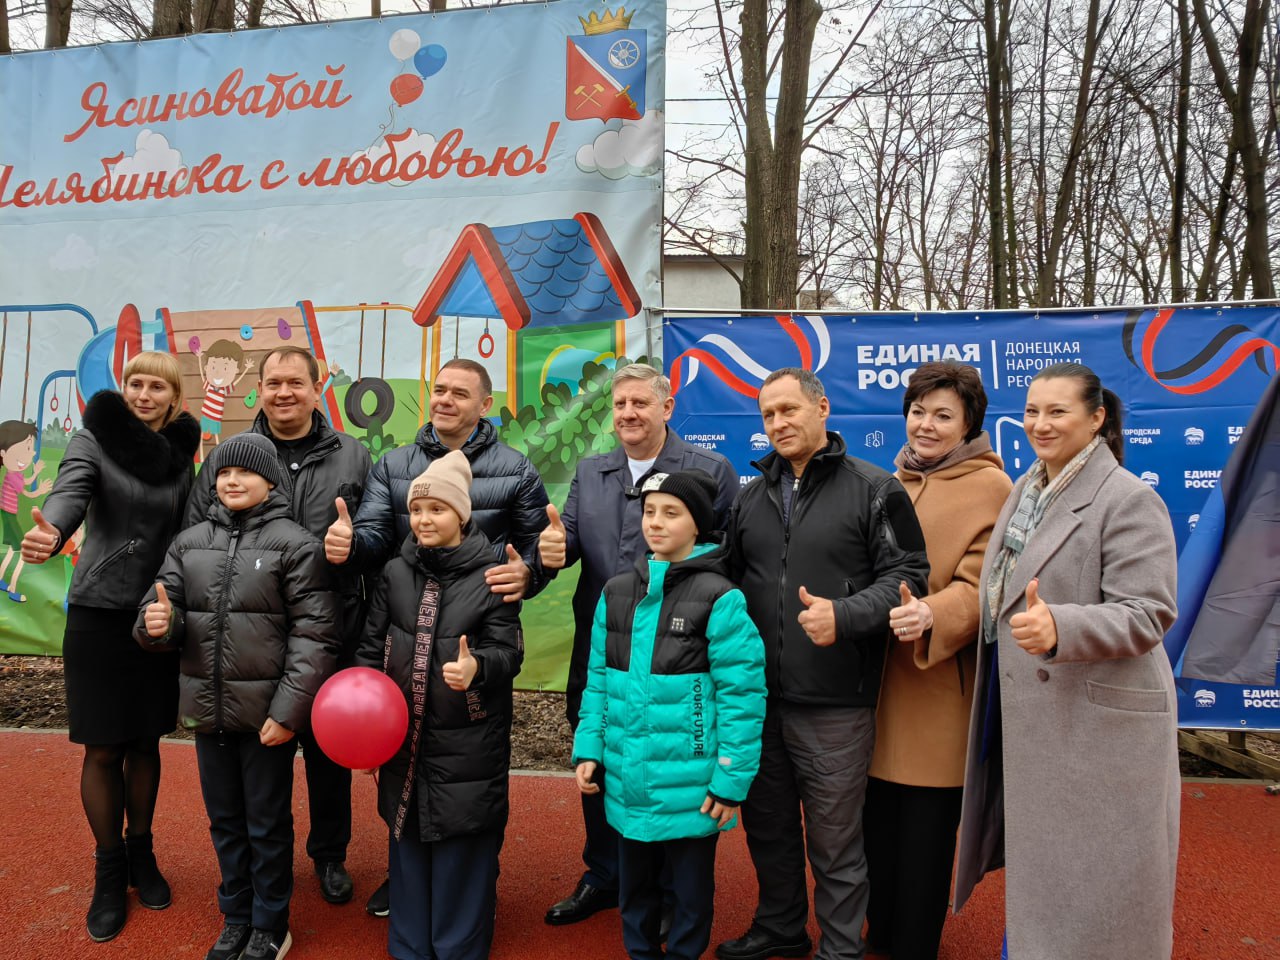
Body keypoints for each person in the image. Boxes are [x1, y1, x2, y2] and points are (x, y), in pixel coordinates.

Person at [954, 362, 1180, 959]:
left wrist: (1063, 626)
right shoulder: (1027, 488)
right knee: (1051, 881)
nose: (1040, 424)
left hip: (1097, 728)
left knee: (1098, 893)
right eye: (1032, 411)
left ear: (1097, 418)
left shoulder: (1130, 499)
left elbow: (1148, 612)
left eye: (1057, 411)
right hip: (1035, 708)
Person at [716, 367, 930, 960]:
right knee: (770, 830)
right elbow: (728, 577)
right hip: (759, 703)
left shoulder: (875, 487)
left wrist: (846, 614)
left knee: (836, 843)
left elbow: (910, 576)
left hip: (836, 704)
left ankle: (840, 949)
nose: (779, 424)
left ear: (822, 408)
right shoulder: (751, 495)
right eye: (768, 415)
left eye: (789, 410)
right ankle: (781, 929)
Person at [325, 357, 548, 917]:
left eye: (458, 393)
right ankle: (408, 879)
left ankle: (471, 889)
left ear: (484, 403)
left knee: (467, 780)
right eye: (439, 390)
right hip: (405, 639)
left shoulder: (515, 470)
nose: (444, 400)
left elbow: (535, 552)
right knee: (403, 769)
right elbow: (376, 533)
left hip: (469, 649)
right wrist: (352, 545)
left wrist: (533, 574)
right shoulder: (394, 463)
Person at [539, 362, 739, 925]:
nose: (628, 413)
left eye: (641, 404)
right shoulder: (592, 470)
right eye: (620, 404)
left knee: (675, 765)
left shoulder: (710, 469)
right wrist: (547, 555)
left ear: (667, 408)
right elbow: (567, 545)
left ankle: (674, 888)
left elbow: (725, 556)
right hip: (604, 652)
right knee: (598, 755)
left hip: (681, 659)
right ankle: (606, 874)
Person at [135, 432, 338, 960]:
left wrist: (288, 712)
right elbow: (162, 610)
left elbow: (314, 637)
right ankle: (237, 916)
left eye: (245, 472)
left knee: (266, 825)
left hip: (266, 719)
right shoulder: (188, 543)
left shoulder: (296, 545)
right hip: (208, 714)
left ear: (270, 480)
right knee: (225, 822)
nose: (231, 481)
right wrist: (157, 623)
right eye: (224, 472)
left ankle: (272, 923)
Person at [21, 352, 199, 943]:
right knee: (102, 749)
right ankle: (109, 868)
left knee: (145, 740)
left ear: (173, 398)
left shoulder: (180, 456)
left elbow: (189, 529)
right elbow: (70, 496)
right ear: (123, 391)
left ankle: (142, 851)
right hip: (99, 614)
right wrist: (51, 529)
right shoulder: (91, 441)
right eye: (134, 384)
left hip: (156, 613)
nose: (143, 394)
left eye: (156, 386)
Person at [185, 345, 372, 906]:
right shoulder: (233, 455)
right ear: (259, 390)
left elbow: (377, 534)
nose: (284, 392)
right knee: (256, 763)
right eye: (273, 383)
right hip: (248, 636)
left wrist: (353, 546)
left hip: (326, 627)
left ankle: (329, 853)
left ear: (318, 388)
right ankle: (263, 874)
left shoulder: (353, 456)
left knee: (326, 753)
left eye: (296, 382)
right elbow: (199, 531)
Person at [572, 469, 766, 960]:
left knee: (689, 895)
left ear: (698, 524)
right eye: (649, 511)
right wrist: (590, 747)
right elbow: (597, 681)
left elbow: (743, 697)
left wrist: (730, 778)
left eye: (671, 513)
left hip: (693, 788)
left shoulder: (721, 598)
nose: (655, 523)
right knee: (634, 891)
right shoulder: (616, 592)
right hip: (627, 780)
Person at [863, 362, 1012, 960]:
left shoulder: (995, 489)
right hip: (871, 691)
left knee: (925, 837)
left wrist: (934, 615)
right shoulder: (881, 481)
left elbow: (985, 585)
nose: (926, 425)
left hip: (938, 690)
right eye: (918, 411)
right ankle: (879, 931)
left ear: (969, 423)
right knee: (875, 829)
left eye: (943, 415)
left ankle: (915, 944)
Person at [354, 450, 523, 960]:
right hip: (403, 739)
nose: (425, 520)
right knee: (407, 839)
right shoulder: (395, 572)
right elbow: (370, 645)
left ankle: (458, 947)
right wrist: (363, 723)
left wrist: (478, 670)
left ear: (462, 515)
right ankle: (409, 945)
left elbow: (508, 652)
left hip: (467, 739)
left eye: (438, 510)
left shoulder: (493, 575)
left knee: (461, 847)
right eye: (418, 510)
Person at [0, 420, 52, 602]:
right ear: (3, 453)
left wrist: (36, 473)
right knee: (23, 552)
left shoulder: (14, 473)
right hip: (9, 516)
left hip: (8, 514)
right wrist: (41, 490)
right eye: (26, 450)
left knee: (11, 552)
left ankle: (0, 579)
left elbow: (25, 482)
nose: (31, 454)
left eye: (30, 450)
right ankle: (14, 589)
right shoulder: (12, 475)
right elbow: (27, 492)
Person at [195, 338, 255, 461]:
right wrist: (199, 359)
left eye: (226, 368)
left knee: (216, 437)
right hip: (206, 415)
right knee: (201, 437)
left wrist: (247, 369)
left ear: (236, 371)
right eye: (213, 367)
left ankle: (218, 457)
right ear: (207, 367)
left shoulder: (224, 389)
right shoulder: (209, 385)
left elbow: (236, 382)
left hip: (216, 417)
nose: (218, 372)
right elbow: (202, 374)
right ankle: (201, 459)